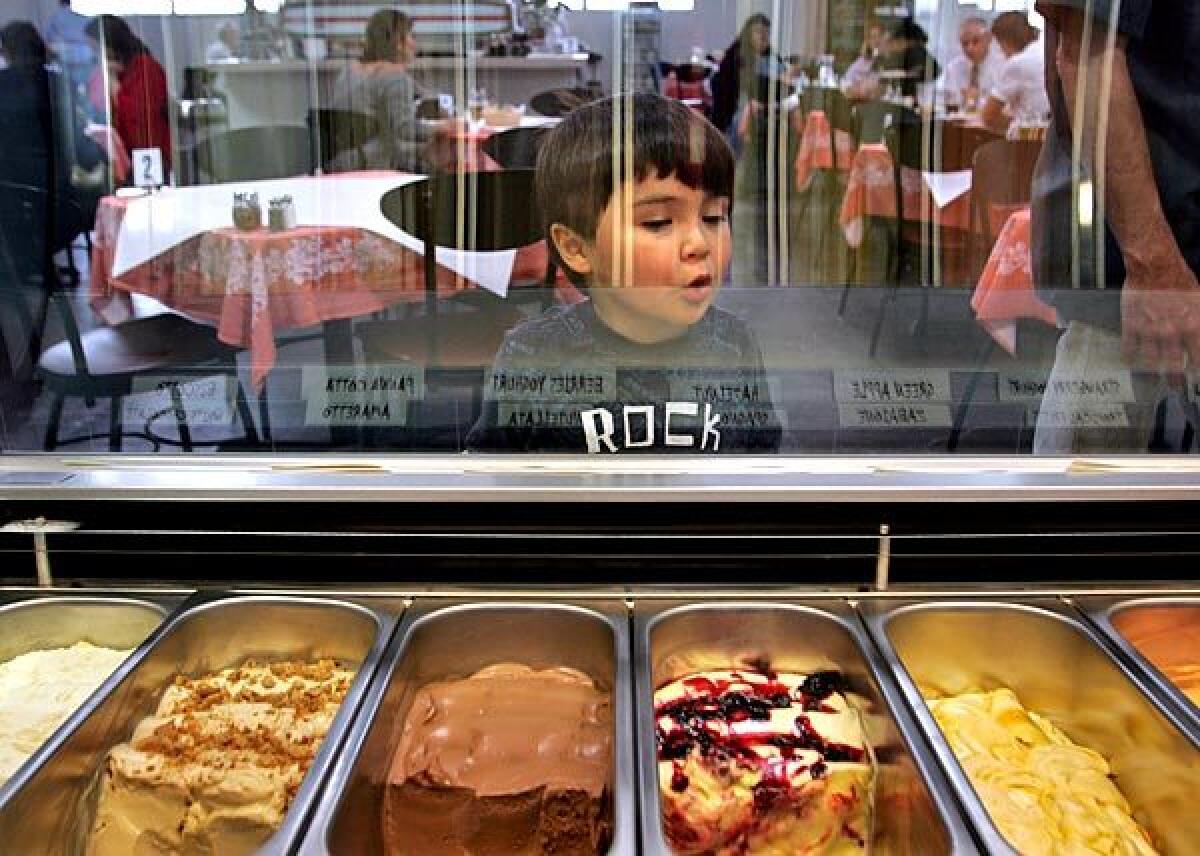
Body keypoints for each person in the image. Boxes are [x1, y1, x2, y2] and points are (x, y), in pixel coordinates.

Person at [466, 94, 781, 454]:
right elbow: (491, 478)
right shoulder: (534, 356)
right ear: (576, 248)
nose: (700, 243)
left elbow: (760, 463)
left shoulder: (734, 345)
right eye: (658, 222)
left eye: (713, 217)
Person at [1031, 1, 1200, 453]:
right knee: (1084, 493)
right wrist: (1152, 263)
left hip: (1158, 249)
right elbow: (1086, 58)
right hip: (1143, 258)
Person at [328, 9, 429, 172]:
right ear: (397, 42)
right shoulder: (394, 76)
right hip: (371, 167)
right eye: (411, 36)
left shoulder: (348, 71)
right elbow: (406, 130)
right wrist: (446, 127)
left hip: (339, 163)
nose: (414, 43)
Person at [85, 15, 170, 175]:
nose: (95, 56)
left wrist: (113, 84)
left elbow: (141, 120)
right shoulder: (108, 70)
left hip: (149, 157)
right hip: (123, 157)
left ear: (111, 45)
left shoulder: (145, 69)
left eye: (97, 49)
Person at [982, 12, 1049, 134]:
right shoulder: (1045, 51)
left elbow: (988, 116)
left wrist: (1015, 121)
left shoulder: (1018, 62)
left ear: (1003, 41)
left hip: (1026, 139)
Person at [940, 17, 1004, 110]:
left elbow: (1005, 105)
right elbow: (948, 101)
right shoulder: (954, 67)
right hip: (958, 121)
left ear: (989, 39)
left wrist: (976, 99)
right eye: (965, 43)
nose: (969, 48)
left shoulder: (1003, 66)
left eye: (975, 41)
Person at [877, 18, 940, 98]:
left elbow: (916, 74)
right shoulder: (906, 55)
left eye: (891, 42)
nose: (890, 46)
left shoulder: (917, 54)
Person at [44, 0, 93, 94]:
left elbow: (47, 45)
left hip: (67, 68)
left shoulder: (56, 18)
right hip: (90, 66)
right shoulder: (91, 16)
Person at [843, 21, 885, 102]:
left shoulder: (882, 58)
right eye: (873, 37)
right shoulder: (863, 61)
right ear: (868, 40)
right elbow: (846, 86)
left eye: (879, 36)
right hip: (865, 103)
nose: (876, 40)